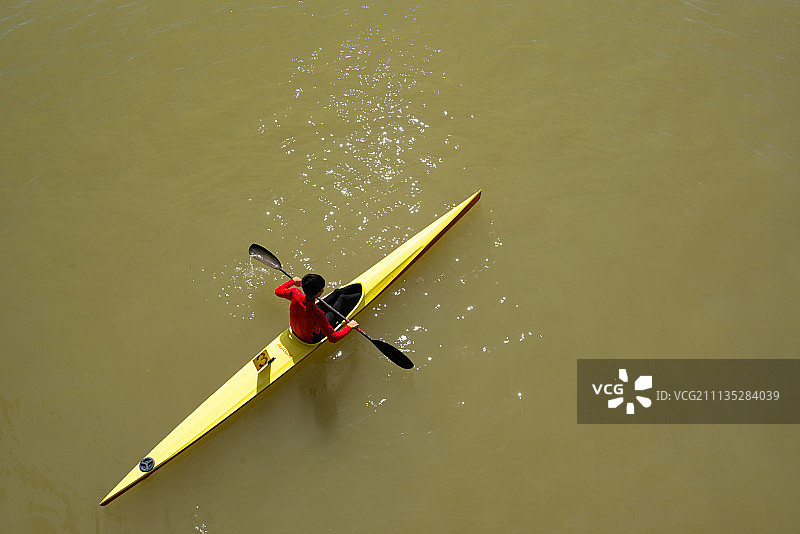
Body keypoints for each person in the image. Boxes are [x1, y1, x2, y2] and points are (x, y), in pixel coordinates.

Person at [275, 273, 358, 344]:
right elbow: (333, 338)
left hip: (297, 329)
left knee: (337, 292)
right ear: (317, 294)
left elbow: (278, 291)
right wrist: (349, 327)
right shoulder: (318, 314)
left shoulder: (294, 294)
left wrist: (292, 281)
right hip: (312, 339)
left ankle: (351, 292)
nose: (323, 290)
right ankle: (357, 295)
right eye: (322, 289)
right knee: (340, 301)